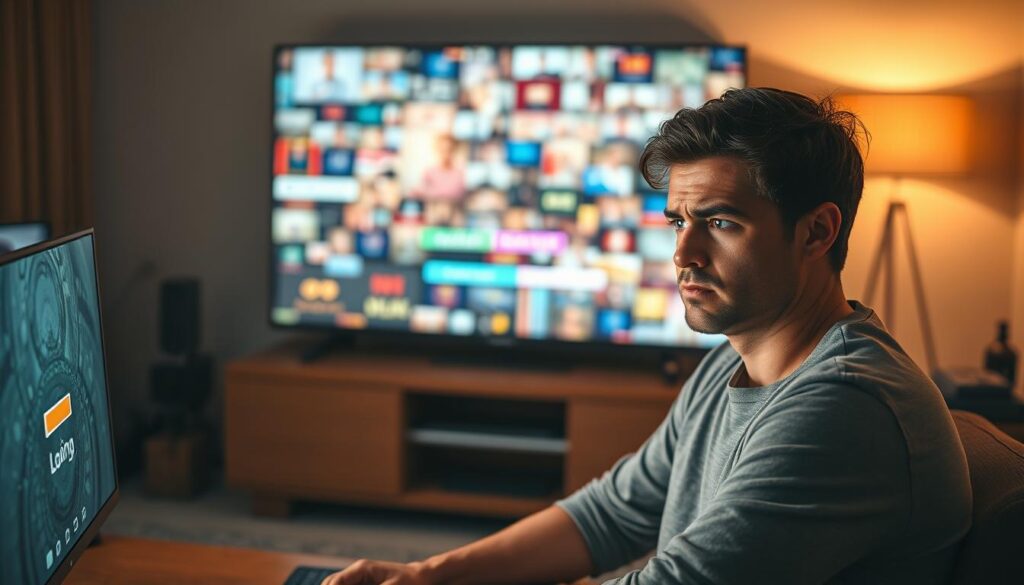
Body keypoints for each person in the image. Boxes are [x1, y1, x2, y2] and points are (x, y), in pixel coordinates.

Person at [321, 88, 972, 585]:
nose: (682, 253)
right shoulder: (734, 361)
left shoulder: (844, 406)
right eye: (677, 221)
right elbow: (612, 513)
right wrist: (426, 576)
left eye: (719, 222)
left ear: (817, 232)